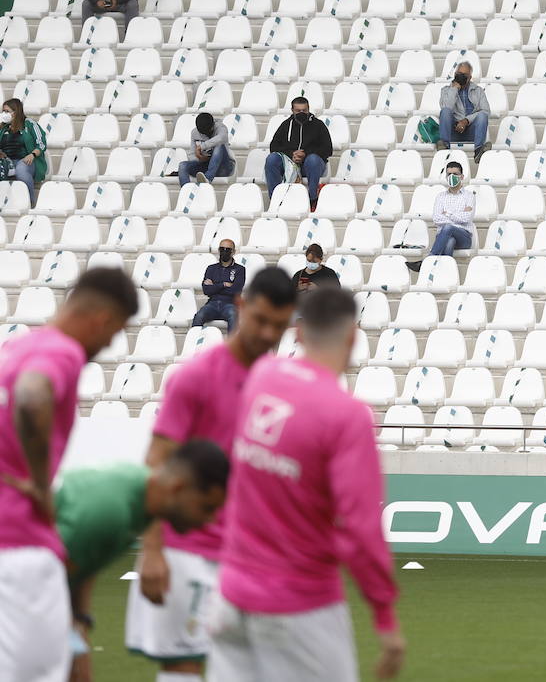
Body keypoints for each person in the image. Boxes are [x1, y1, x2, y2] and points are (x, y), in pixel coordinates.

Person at [211, 287, 405, 680]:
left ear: (298, 333)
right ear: (353, 335)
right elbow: (360, 527)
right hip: (300, 605)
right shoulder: (348, 416)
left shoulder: (261, 376)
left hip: (230, 593)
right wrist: (384, 615)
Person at [125, 268, 296, 679]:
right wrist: (151, 550)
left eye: (278, 325)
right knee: (182, 668)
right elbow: (157, 461)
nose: (266, 332)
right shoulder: (196, 377)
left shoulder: (279, 386)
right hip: (186, 550)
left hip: (246, 556)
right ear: (241, 307)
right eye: (260, 320)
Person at [0, 267, 138, 682]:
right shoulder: (63, 352)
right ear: (103, 319)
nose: (109, 343)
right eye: (115, 332)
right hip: (21, 544)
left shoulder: (16, 347)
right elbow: (32, 396)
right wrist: (41, 484)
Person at [67, 441, 230, 681]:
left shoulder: (137, 503)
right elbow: (54, 581)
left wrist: (80, 623)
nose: (210, 521)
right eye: (206, 508)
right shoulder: (113, 509)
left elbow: (82, 568)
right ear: (177, 488)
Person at [407, 161, 476, 273]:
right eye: (449, 174)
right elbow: (436, 218)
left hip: (464, 237)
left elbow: (466, 218)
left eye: (455, 174)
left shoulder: (469, 196)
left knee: (448, 228)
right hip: (444, 236)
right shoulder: (440, 197)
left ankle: (427, 261)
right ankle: (446, 274)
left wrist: (447, 214)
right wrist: (457, 216)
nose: (452, 177)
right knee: (449, 241)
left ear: (462, 176)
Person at [265, 96, 333, 206]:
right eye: (298, 111)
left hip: (310, 166)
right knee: (272, 159)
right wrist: (291, 154)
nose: (301, 113)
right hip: (290, 165)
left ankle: (312, 199)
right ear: (292, 110)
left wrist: (305, 154)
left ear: (308, 109)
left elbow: (328, 149)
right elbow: (274, 146)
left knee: (313, 160)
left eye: (304, 110)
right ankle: (275, 200)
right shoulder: (286, 125)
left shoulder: (318, 125)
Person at [436, 61, 491, 157]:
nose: (461, 76)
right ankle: (444, 147)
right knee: (445, 112)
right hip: (453, 131)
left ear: (470, 77)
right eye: (459, 74)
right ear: (455, 75)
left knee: (482, 116)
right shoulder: (445, 90)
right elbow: (446, 108)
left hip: (472, 131)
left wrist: (466, 121)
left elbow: (486, 111)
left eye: (464, 75)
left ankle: (479, 151)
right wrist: (454, 89)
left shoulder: (478, 91)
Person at [0, 97, 48, 205]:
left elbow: (41, 143)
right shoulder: (3, 127)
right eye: (3, 111)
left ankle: (30, 203)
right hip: (7, 162)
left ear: (16, 112)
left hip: (27, 160)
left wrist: (32, 155)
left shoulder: (29, 124)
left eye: (7, 111)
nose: (4, 114)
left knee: (21, 169)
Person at [193, 238, 246, 331]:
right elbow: (206, 290)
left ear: (233, 252)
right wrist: (223, 284)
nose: (224, 252)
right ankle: (193, 343)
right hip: (212, 304)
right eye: (222, 249)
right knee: (199, 315)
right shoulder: (211, 268)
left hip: (230, 304)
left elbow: (236, 291)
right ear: (218, 250)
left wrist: (214, 286)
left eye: (227, 250)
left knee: (233, 315)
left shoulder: (240, 269)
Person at [178, 111, 235, 186]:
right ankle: (186, 191)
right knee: (182, 165)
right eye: (203, 134)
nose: (206, 134)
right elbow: (192, 154)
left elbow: (221, 138)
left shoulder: (221, 127)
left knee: (219, 146)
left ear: (213, 125)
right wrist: (199, 158)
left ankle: (207, 179)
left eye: (209, 131)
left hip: (223, 167)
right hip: (204, 166)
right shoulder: (194, 133)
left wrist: (202, 146)